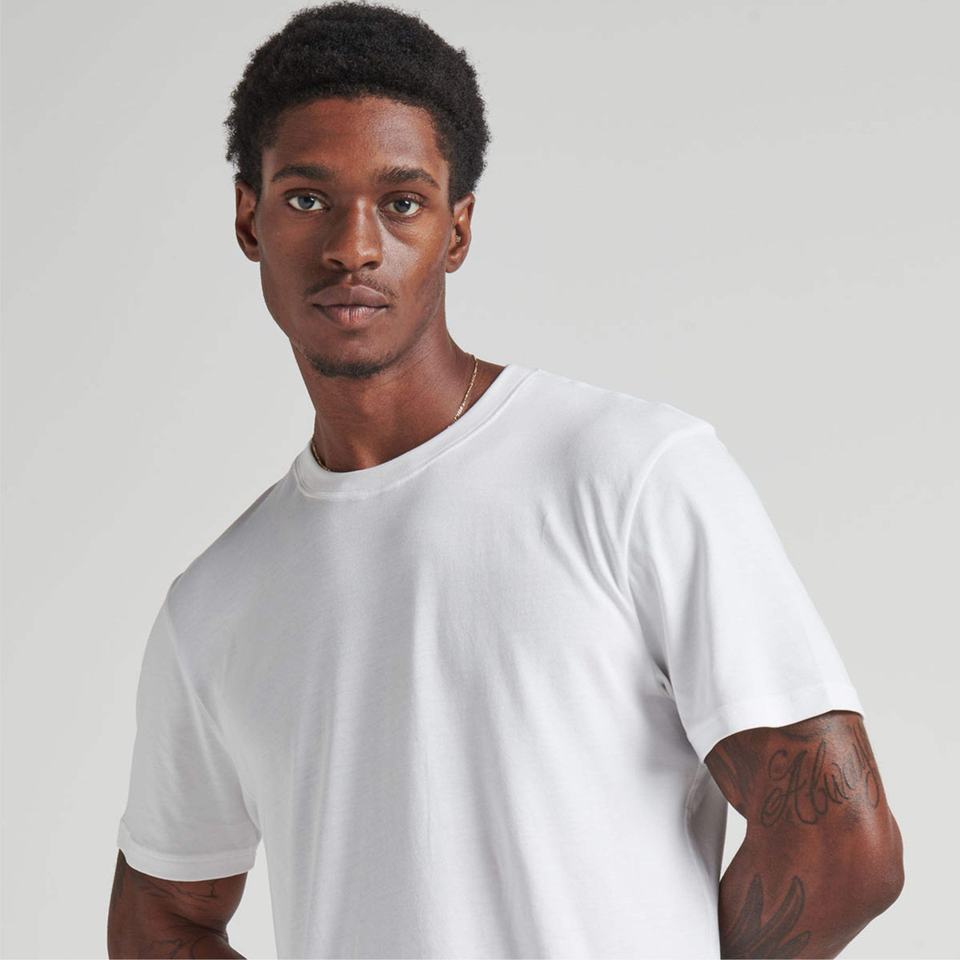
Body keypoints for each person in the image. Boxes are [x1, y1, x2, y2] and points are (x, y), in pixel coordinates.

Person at [107, 3, 904, 958]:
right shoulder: (217, 602)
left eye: (402, 202)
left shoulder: (630, 475)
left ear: (458, 228)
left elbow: (843, 848)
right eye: (309, 198)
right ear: (250, 216)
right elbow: (162, 920)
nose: (354, 247)